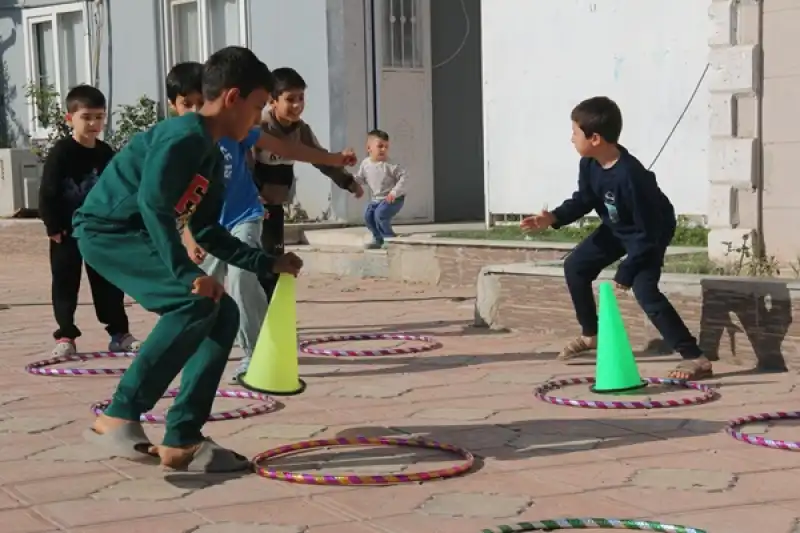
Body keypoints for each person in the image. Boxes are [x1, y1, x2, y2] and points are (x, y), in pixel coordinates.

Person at [72, 47, 346, 473]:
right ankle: (118, 417)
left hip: (136, 232)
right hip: (107, 232)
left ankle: (183, 438)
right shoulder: (182, 136)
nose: (258, 120)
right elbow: (153, 205)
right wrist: (187, 274)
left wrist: (266, 263)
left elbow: (208, 230)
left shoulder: (216, 156)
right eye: (257, 107)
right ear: (233, 98)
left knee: (223, 313)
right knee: (194, 301)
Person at [167, 62, 356, 383]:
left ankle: (253, 356)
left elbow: (290, 148)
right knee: (205, 291)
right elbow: (179, 199)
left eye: (203, 102)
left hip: (245, 217)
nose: (198, 111)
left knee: (242, 277)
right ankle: (195, 354)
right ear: (174, 106)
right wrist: (188, 237)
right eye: (189, 105)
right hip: (208, 229)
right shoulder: (177, 144)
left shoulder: (234, 131)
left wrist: (336, 160)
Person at [520, 96, 712, 381]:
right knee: (575, 267)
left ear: (595, 138)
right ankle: (591, 335)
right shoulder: (589, 164)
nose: (571, 139)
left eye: (575, 133)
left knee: (645, 291)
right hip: (617, 228)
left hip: (649, 233)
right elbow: (584, 199)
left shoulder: (632, 177)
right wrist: (553, 218)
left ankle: (696, 358)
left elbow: (648, 232)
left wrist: (626, 272)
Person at [38, 84, 141, 358]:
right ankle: (66, 336)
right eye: (86, 117)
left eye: (99, 116)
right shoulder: (62, 152)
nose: (94, 123)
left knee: (108, 282)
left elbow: (118, 189)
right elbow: (48, 191)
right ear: (70, 118)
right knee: (65, 283)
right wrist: (52, 225)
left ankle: (119, 333)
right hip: (66, 232)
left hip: (99, 232)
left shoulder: (105, 152)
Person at [252, 67, 364, 300]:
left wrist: (348, 181)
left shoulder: (301, 131)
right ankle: (251, 312)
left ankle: (270, 309)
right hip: (253, 206)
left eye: (301, 98)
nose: (297, 105)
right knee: (255, 260)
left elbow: (320, 158)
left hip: (275, 206)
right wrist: (253, 194)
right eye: (290, 99)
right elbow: (246, 164)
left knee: (274, 257)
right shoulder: (260, 128)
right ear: (272, 101)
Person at [353, 129, 408, 249]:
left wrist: (394, 192)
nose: (384, 149)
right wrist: (352, 183)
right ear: (369, 148)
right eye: (380, 146)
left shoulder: (390, 165)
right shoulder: (365, 164)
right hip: (377, 199)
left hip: (394, 198)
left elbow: (404, 177)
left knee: (380, 214)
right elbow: (361, 179)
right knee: (369, 216)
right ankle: (378, 239)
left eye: (386, 146)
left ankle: (389, 239)